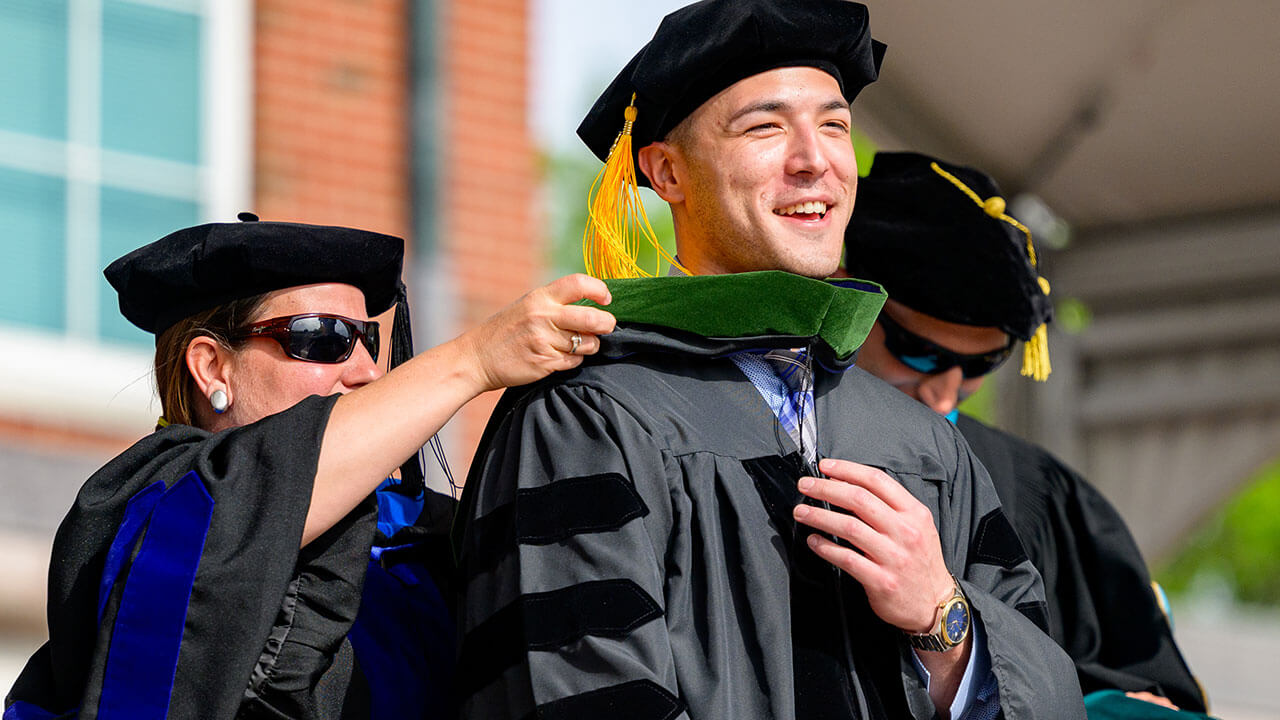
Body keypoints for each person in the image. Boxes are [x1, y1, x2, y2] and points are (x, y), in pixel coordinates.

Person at [453, 1, 1082, 718]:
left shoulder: (922, 444)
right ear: (667, 172)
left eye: (835, 125)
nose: (815, 160)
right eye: (765, 126)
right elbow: (575, 693)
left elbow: (1053, 695)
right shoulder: (588, 418)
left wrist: (945, 622)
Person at [4, 216, 616, 720]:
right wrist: (475, 359)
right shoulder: (145, 513)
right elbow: (254, 495)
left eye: (367, 341)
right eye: (321, 338)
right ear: (212, 367)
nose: (367, 371)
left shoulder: (423, 545)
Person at [844, 151, 1211, 717]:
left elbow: (1150, 690)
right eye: (918, 352)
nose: (944, 395)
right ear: (846, 291)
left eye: (978, 367)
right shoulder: (740, 437)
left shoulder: (1036, 491)